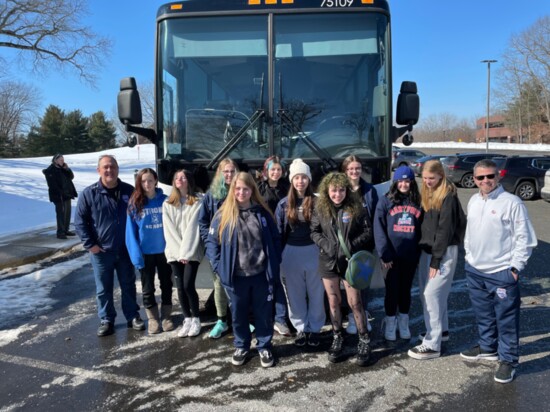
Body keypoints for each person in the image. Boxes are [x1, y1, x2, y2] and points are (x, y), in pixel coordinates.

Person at [460, 159, 537, 384]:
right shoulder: (473, 200)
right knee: (483, 314)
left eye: (490, 176)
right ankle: (487, 347)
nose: (486, 181)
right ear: (474, 179)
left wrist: (515, 268)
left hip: (501, 272)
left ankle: (509, 360)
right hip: (475, 270)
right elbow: (470, 232)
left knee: (506, 319)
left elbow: (525, 239)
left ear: (498, 176)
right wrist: (468, 256)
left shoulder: (512, 202)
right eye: (480, 177)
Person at [205, 172, 282, 368]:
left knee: (263, 313)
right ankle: (242, 346)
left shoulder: (262, 213)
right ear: (233, 190)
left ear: (252, 190)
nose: (241, 192)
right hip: (235, 277)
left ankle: (264, 345)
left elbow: (276, 239)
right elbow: (212, 243)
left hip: (261, 275)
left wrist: (274, 261)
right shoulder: (223, 215)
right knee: (238, 314)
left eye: (246, 189)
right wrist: (219, 267)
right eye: (238, 189)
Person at [75, 154, 144, 337]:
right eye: (105, 167)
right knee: (103, 288)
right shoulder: (89, 194)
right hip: (101, 252)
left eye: (112, 166)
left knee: (128, 285)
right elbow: (80, 222)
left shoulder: (129, 191)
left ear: (118, 169)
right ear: (99, 170)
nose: (109, 170)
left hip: (125, 250)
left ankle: (132, 316)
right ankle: (106, 319)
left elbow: (140, 217)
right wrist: (91, 245)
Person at [310, 172, 372, 366]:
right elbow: (314, 231)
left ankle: (364, 339)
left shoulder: (357, 207)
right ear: (327, 191)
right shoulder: (320, 208)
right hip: (328, 262)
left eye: (341, 190)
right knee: (334, 301)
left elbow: (368, 231)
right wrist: (326, 245)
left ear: (347, 190)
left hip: (350, 262)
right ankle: (338, 337)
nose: (338, 194)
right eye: (334, 190)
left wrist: (352, 245)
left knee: (355, 302)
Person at [408, 160, 464, 360]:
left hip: (442, 252)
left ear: (441, 175)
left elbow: (445, 231)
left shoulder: (448, 196)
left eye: (432, 178)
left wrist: (436, 260)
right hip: (427, 251)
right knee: (429, 295)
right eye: (424, 178)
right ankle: (443, 331)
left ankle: (433, 344)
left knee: (432, 294)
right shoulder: (428, 193)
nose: (428, 182)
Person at [275, 159, 325, 347]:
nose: (300, 181)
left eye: (304, 177)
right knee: (294, 296)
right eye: (297, 177)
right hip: (290, 254)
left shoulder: (319, 202)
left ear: (309, 179)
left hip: (314, 252)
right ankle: (302, 329)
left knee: (316, 294)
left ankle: (315, 329)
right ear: (292, 180)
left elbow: (325, 229)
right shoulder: (283, 205)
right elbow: (278, 233)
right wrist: (277, 257)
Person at [374, 166, 422, 341]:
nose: (403, 184)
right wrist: (384, 254)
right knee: (391, 291)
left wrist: (418, 251)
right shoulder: (385, 201)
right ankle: (390, 321)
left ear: (411, 182)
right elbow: (378, 229)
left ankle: (403, 320)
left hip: (409, 256)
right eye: (400, 181)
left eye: (407, 181)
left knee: (405, 291)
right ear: (395, 182)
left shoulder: (417, 200)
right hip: (390, 257)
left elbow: (422, 228)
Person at [126, 168, 173, 335]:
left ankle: (166, 316)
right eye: (144, 181)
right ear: (140, 183)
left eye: (150, 180)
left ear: (156, 181)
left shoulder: (165, 201)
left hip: (164, 251)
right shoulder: (135, 203)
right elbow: (130, 233)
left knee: (167, 284)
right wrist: (136, 255)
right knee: (148, 288)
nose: (147, 184)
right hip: (146, 253)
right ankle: (153, 318)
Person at [199, 158, 239, 339]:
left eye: (232, 171)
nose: (229, 175)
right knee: (219, 285)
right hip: (218, 248)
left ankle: (242, 319)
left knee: (241, 285)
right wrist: (210, 242)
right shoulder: (211, 195)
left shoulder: (243, 192)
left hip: (239, 247)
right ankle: (222, 320)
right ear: (220, 174)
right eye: (226, 172)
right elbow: (203, 222)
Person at [163, 169, 204, 338]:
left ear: (189, 181)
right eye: (177, 177)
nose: (180, 180)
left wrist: (185, 253)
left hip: (191, 251)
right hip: (174, 252)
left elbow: (193, 229)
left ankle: (196, 319)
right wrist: (178, 253)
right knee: (179, 287)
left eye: (183, 177)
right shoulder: (167, 204)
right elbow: (169, 231)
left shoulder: (197, 202)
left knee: (188, 285)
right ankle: (187, 318)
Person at [341, 155, 378, 334]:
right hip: (345, 246)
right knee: (348, 282)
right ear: (345, 171)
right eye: (351, 169)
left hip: (365, 244)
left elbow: (376, 219)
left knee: (362, 282)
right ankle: (351, 316)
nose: (354, 172)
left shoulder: (370, 190)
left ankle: (363, 314)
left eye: (357, 168)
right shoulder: (340, 190)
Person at [258, 155, 291, 337]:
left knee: (278, 280)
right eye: (273, 170)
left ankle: (280, 318)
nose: (276, 172)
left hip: (281, 237)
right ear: (266, 171)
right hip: (261, 237)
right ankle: (263, 317)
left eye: (279, 169)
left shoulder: (287, 188)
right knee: (262, 280)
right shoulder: (258, 189)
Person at [43, 154, 78, 239]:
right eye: (60, 160)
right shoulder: (50, 170)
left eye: (63, 159)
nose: (62, 161)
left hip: (67, 194)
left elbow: (71, 177)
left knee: (67, 213)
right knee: (61, 213)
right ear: (55, 160)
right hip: (58, 196)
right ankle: (60, 232)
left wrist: (67, 168)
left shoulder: (63, 168)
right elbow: (52, 185)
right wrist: (59, 193)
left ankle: (66, 230)